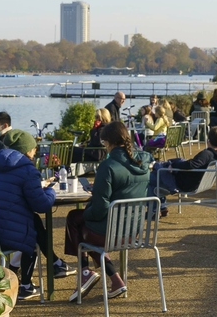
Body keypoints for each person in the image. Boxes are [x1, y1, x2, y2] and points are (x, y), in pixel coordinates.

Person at [65, 122, 151, 301]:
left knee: (76, 220)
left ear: (106, 143)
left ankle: (85, 272)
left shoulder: (108, 166)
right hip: (133, 231)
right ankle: (115, 280)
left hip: (112, 232)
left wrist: (87, 211)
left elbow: (100, 209)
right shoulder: (143, 162)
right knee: (82, 223)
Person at [0, 129, 59, 301]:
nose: (35, 151)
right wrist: (51, 191)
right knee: (33, 231)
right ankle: (30, 282)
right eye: (33, 149)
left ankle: (54, 265)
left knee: (32, 223)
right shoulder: (27, 169)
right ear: (27, 150)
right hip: (9, 234)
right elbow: (41, 205)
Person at [148, 126, 217, 215]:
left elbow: (191, 164)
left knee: (151, 179)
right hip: (196, 182)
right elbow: (193, 164)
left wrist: (174, 166)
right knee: (165, 168)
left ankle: (154, 210)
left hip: (184, 183)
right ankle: (162, 206)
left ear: (209, 140)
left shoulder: (207, 154)